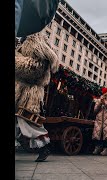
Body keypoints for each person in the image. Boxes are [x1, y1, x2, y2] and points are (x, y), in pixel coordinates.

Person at [15, 32, 59, 162]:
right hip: (19, 90)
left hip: (29, 92)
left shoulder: (36, 41)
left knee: (28, 122)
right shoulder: (22, 41)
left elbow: (35, 68)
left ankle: (44, 147)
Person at [92, 87, 107, 156]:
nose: (106, 94)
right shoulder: (99, 100)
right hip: (99, 120)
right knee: (98, 134)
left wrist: (106, 104)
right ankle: (98, 147)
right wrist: (100, 103)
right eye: (105, 92)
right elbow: (95, 110)